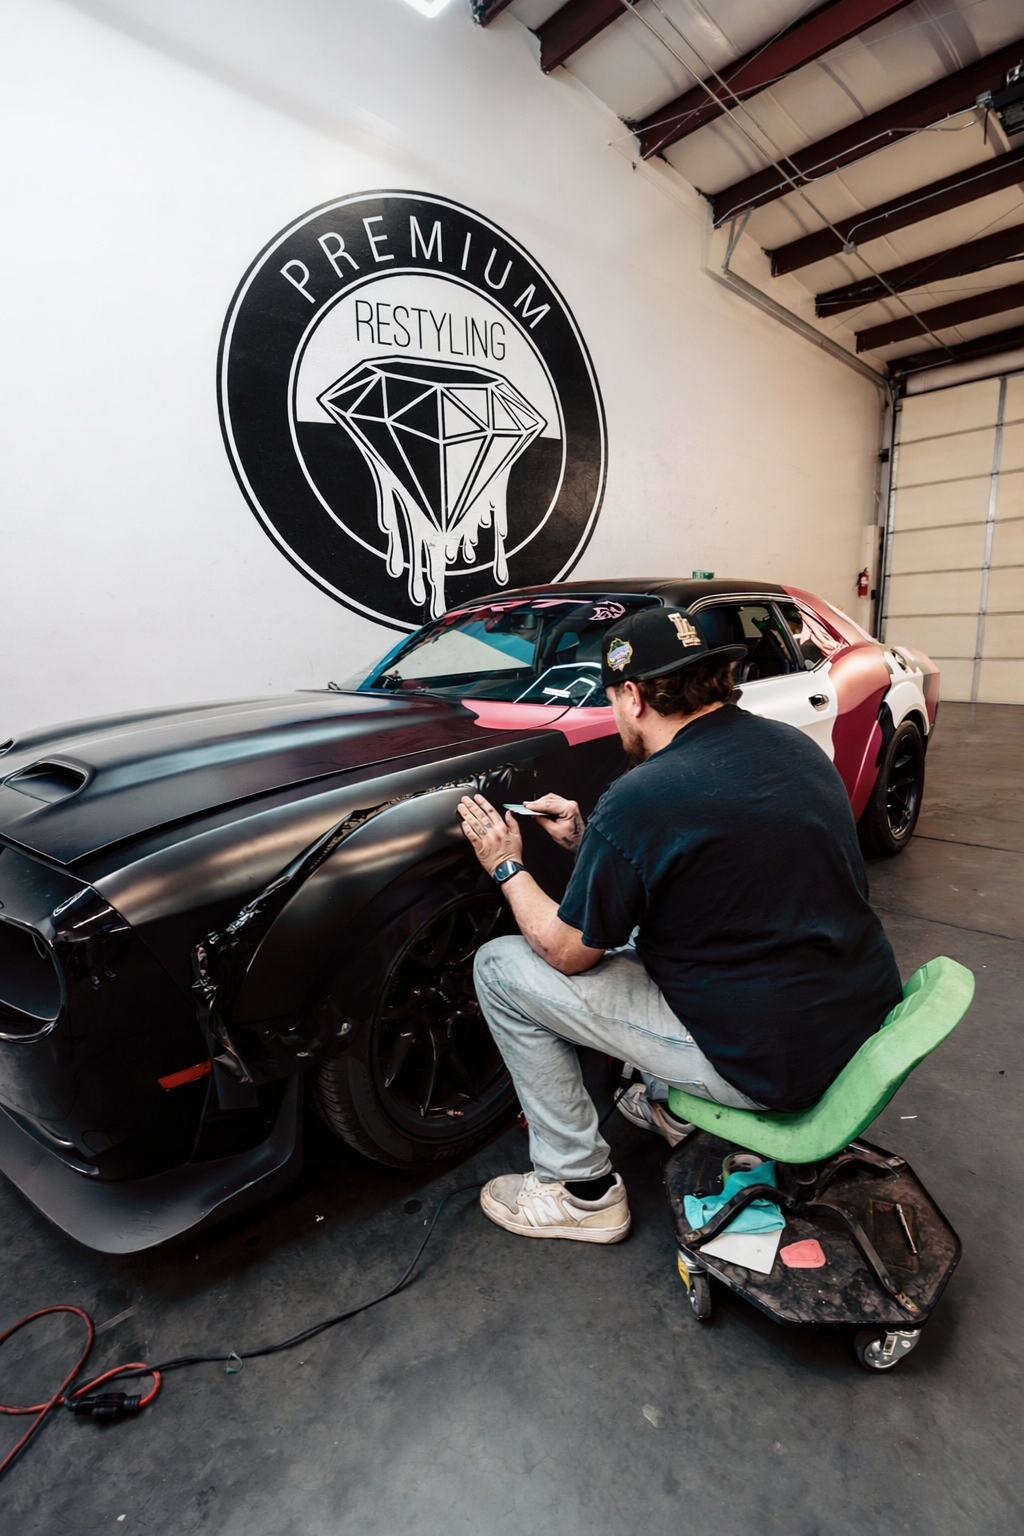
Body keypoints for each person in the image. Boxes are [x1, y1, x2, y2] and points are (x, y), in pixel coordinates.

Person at [456, 605, 902, 1245]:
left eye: (613, 700)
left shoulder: (646, 793)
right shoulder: (791, 747)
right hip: (853, 1023)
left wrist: (506, 865)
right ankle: (669, 1108)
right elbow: (707, 884)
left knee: (499, 967)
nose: (614, 715)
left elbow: (564, 951)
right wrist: (591, 841)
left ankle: (579, 1190)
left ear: (633, 696)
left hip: (773, 1068)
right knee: (647, 930)